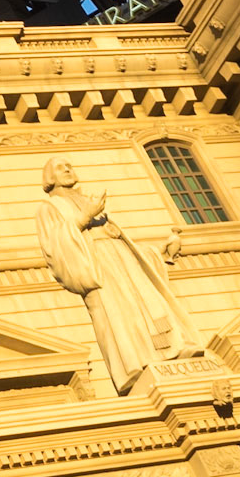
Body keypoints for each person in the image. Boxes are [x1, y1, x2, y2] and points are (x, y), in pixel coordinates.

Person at [36, 156, 204, 394]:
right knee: (119, 314)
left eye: (70, 166)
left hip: (121, 258)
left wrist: (156, 253)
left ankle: (171, 350)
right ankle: (135, 364)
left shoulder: (88, 199)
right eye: (60, 168)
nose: (67, 169)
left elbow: (119, 239)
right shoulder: (49, 208)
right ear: (49, 178)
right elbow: (54, 243)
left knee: (147, 302)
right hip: (94, 263)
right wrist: (85, 216)